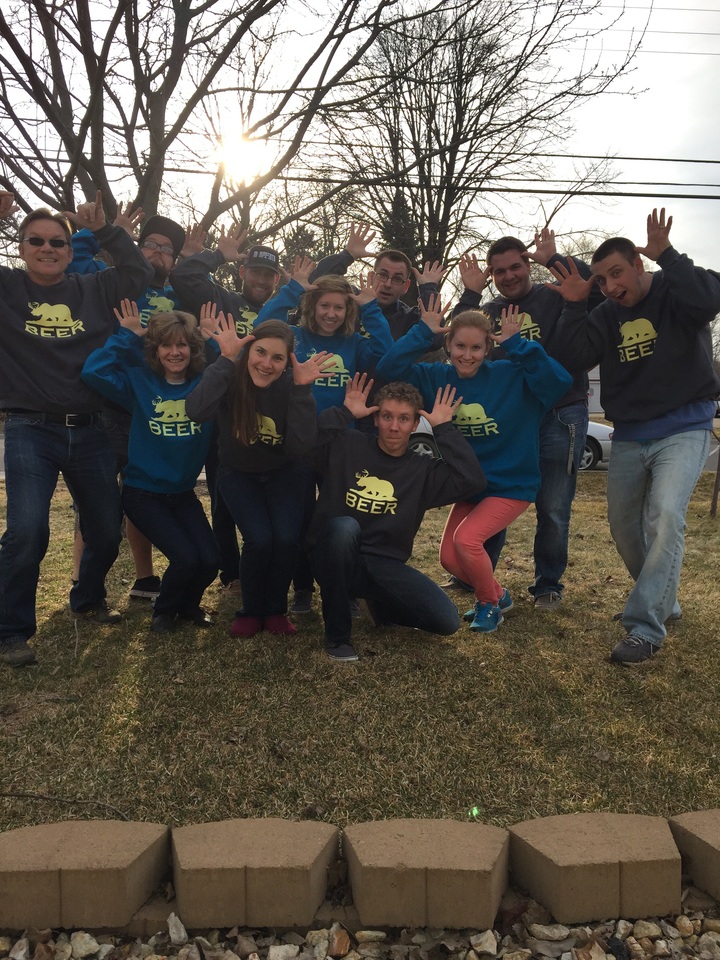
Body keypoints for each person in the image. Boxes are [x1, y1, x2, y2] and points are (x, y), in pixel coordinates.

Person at [549, 208, 720, 665]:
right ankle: (662, 598)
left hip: (685, 425)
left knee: (664, 516)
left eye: (616, 273)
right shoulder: (604, 314)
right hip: (630, 433)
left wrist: (670, 255)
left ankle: (645, 626)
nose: (610, 286)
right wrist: (573, 305)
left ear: (639, 265)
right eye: (602, 280)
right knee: (625, 531)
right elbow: (572, 360)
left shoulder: (676, 287)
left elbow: (708, 303)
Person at [0, 190, 153, 669]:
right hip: (30, 428)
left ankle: (87, 598)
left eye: (57, 243)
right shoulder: (7, 288)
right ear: (21, 248)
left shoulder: (95, 289)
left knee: (105, 530)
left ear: (71, 249)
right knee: (28, 530)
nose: (47, 249)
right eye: (36, 241)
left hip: (91, 429)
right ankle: (10, 630)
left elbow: (139, 274)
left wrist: (109, 232)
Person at [376, 298, 572, 634]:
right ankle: (499, 593)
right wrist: (422, 332)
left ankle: (488, 604)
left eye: (477, 348)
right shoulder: (434, 377)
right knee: (450, 559)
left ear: (488, 348)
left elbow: (559, 382)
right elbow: (387, 372)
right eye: (460, 346)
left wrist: (518, 345)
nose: (467, 355)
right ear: (448, 345)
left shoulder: (512, 376)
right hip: (470, 485)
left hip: (511, 484)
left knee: (467, 541)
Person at [453, 229, 601, 609]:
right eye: (498, 270)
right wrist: (470, 294)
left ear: (527, 265)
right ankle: (477, 575)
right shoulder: (488, 312)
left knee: (552, 505)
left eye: (516, 266)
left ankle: (547, 584)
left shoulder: (555, 294)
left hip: (560, 412)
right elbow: (452, 339)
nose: (509, 275)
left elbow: (592, 289)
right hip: (512, 420)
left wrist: (552, 258)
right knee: (493, 495)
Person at [306, 376, 487, 662]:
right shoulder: (348, 444)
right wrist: (344, 414)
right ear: (375, 418)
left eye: (404, 419)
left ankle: (378, 606)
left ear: (415, 425)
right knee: (344, 528)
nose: (394, 426)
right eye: (387, 416)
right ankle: (338, 637)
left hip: (382, 565)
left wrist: (443, 429)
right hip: (333, 555)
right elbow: (305, 444)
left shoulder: (423, 470)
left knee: (447, 621)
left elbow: (472, 480)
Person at [254, 256, 394, 613]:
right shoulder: (295, 338)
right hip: (299, 443)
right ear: (311, 306)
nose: (331, 313)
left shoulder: (355, 344)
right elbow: (260, 326)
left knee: (338, 521)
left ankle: (343, 588)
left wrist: (371, 307)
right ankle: (302, 588)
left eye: (338, 307)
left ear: (347, 310)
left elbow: (389, 356)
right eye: (324, 305)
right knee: (300, 519)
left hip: (340, 444)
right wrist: (294, 287)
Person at [185, 314, 334, 638]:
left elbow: (299, 449)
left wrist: (302, 391)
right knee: (259, 539)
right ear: (248, 352)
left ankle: (276, 610)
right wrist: (225, 360)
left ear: (287, 363)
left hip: (286, 473)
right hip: (238, 474)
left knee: (284, 540)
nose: (267, 363)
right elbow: (196, 411)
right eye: (261, 353)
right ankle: (251, 610)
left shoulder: (291, 386)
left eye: (277, 357)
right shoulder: (230, 375)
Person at [81, 301, 220, 633]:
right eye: (166, 345)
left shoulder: (207, 384)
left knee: (211, 560)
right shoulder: (139, 382)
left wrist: (214, 340)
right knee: (186, 558)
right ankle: (164, 610)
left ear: (192, 349)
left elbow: (235, 370)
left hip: (182, 492)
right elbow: (93, 372)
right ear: (156, 351)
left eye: (182, 344)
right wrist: (126, 335)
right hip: (144, 493)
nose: (175, 352)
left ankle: (187, 606)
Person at [170, 231, 283, 595]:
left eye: (268, 275)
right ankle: (231, 573)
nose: (261, 281)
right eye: (255, 272)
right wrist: (219, 254)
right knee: (224, 497)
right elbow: (183, 276)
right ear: (242, 272)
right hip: (225, 412)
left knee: (269, 494)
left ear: (276, 280)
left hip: (269, 414)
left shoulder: (283, 310)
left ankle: (271, 567)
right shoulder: (221, 300)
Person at [313, 223, 445, 341]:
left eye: (397, 279)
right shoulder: (351, 299)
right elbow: (315, 285)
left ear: (406, 286)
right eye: (383, 275)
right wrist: (348, 255)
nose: (388, 284)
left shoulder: (408, 318)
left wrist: (428, 288)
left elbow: (436, 337)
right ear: (372, 276)